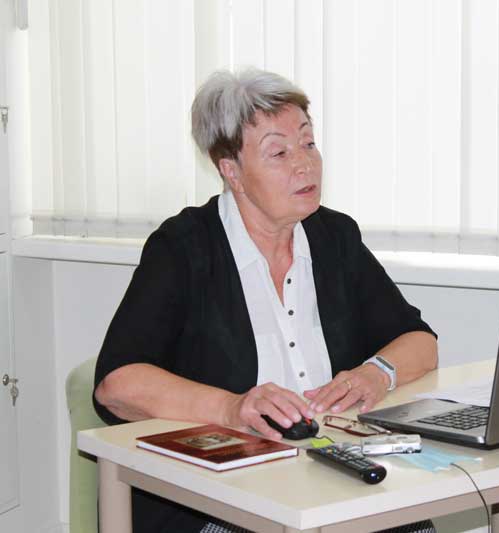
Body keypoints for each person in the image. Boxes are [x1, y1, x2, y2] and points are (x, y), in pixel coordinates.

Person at [93, 69, 438, 533]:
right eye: (279, 152)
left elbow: (420, 341)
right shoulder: (183, 249)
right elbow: (116, 384)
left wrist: (376, 373)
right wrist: (231, 409)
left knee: (414, 523)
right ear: (231, 171)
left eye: (308, 143)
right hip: (216, 499)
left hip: (332, 478)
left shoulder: (334, 236)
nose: (305, 164)